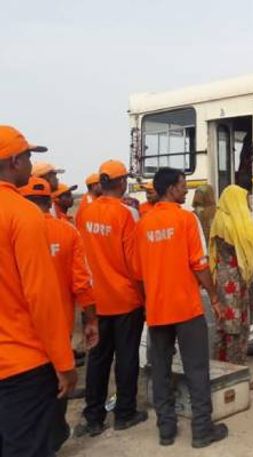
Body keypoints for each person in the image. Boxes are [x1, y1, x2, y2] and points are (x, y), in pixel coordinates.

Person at [133, 167, 228, 448]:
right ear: (171, 189)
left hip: (158, 312)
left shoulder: (143, 224)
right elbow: (199, 264)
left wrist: (147, 305)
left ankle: (166, 430)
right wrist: (213, 296)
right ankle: (201, 431)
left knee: (160, 370)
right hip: (186, 309)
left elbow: (137, 275)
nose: (186, 190)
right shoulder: (187, 219)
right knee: (196, 369)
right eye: (183, 185)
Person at [0, 125, 76, 457]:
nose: (31, 163)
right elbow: (41, 297)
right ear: (15, 161)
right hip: (23, 365)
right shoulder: (23, 215)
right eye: (29, 156)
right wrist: (64, 363)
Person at [19, 176, 100, 453]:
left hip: (18, 333)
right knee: (58, 385)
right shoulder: (66, 232)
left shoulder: (10, 228)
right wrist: (90, 319)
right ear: (49, 201)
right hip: (57, 328)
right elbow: (81, 283)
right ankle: (55, 434)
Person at [77, 159, 148, 437]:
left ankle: (93, 417)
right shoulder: (127, 215)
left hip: (96, 302)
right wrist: (144, 298)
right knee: (127, 358)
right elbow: (135, 264)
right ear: (120, 183)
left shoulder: (84, 213)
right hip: (125, 300)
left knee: (97, 360)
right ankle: (124, 413)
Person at [209, 185, 253, 369]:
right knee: (232, 327)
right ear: (236, 200)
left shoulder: (234, 221)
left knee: (237, 326)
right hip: (231, 282)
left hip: (237, 279)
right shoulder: (226, 223)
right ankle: (233, 372)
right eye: (246, 199)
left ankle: (230, 370)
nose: (248, 203)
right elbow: (241, 246)